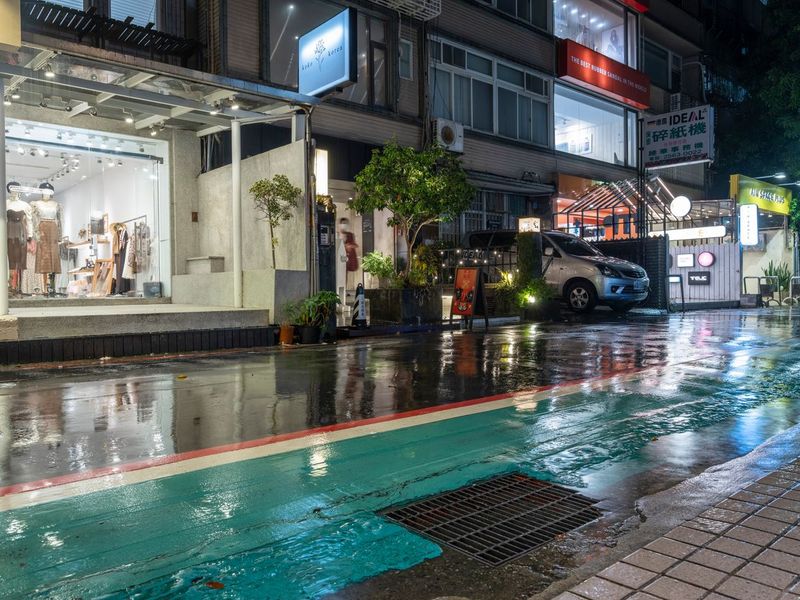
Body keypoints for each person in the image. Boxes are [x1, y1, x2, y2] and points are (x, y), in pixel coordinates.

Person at [338, 217, 359, 291]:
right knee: (339, 274)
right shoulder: (337, 234)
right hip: (338, 258)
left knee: (344, 274)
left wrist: (349, 246)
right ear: (340, 224)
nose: (344, 225)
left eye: (346, 223)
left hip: (346, 258)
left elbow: (354, 245)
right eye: (343, 223)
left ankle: (344, 290)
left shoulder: (350, 235)